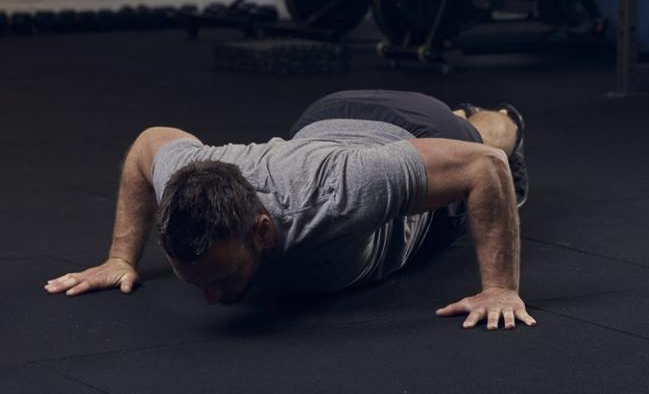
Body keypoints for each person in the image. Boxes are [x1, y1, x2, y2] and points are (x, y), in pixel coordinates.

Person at [44, 89, 536, 332]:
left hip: (410, 132)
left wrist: (499, 289)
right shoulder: (187, 174)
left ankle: (499, 117)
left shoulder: (339, 192)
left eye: (220, 278)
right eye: (198, 282)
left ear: (261, 231)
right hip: (322, 118)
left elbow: (483, 167)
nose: (212, 299)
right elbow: (150, 142)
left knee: (478, 137)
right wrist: (120, 258)